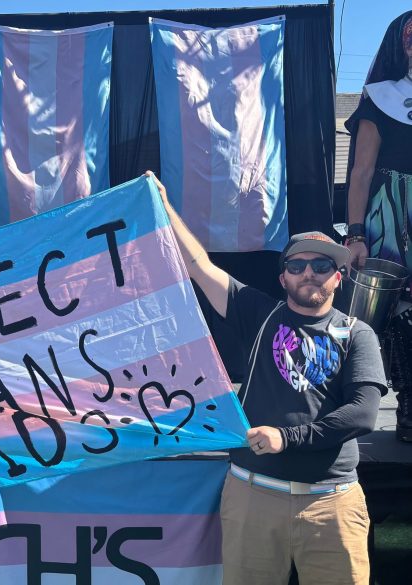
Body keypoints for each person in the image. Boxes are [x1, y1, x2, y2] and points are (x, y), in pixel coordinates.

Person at [147, 171, 386, 585]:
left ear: (337, 276)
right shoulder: (258, 315)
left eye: (321, 264)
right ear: (283, 278)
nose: (308, 272)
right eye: (297, 264)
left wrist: (286, 437)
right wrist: (164, 205)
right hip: (254, 495)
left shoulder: (357, 333)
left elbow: (363, 415)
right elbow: (198, 264)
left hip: (332, 504)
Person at [345, 10, 412, 441]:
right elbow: (361, 172)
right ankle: (408, 404)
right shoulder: (379, 97)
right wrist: (354, 233)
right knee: (401, 313)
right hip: (391, 212)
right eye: (410, 36)